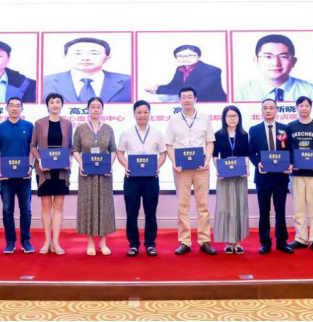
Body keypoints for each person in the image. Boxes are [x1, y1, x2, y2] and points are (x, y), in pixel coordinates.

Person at [165, 86, 217, 255]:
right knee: (183, 206)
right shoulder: (173, 120)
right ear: (179, 100)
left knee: (203, 206)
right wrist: (174, 162)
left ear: (195, 99)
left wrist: (207, 161)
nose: (187, 100)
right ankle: (185, 241)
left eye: (190, 97)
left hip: (201, 168)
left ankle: (204, 240)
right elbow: (169, 144)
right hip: (182, 169)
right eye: (183, 97)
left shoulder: (204, 118)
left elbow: (210, 141)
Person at [117, 100, 167, 257]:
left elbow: (163, 153)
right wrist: (126, 165)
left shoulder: (157, 133)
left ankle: (150, 244)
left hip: (151, 178)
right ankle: (133, 245)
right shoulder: (126, 133)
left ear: (150, 114)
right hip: (132, 177)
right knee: (132, 212)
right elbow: (120, 153)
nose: (142, 115)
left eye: (145, 112)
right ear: (134, 114)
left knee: (150, 212)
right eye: (139, 112)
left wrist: (157, 166)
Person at [73, 97, 118, 256]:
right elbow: (75, 150)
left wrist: (109, 165)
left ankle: (103, 243)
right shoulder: (80, 129)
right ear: (88, 109)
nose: (95, 109)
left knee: (104, 206)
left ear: (102, 109)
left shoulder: (108, 129)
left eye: (98, 107)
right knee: (88, 205)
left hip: (104, 174)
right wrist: (81, 164)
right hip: (87, 173)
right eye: (92, 106)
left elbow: (113, 150)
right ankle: (90, 243)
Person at [248, 98, 293, 254]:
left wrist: (290, 164)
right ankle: (265, 242)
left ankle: (282, 242)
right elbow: (251, 152)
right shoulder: (254, 130)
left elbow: (291, 150)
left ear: (276, 110)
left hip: (281, 176)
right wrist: (257, 163)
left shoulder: (285, 129)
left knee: (280, 210)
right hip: (263, 177)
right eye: (265, 108)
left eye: (271, 108)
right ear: (261, 111)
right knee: (264, 210)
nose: (268, 110)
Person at [30, 92, 74, 255]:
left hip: (61, 170)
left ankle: (56, 242)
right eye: (52, 102)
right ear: (47, 105)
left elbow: (70, 146)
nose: (55, 105)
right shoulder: (39, 123)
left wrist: (70, 158)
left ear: (62, 105)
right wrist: (40, 160)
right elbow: (33, 145)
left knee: (59, 206)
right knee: (46, 206)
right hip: (44, 170)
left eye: (58, 102)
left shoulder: (67, 124)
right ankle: (47, 241)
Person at [0, 97, 35, 254]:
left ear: (22, 108)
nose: (15, 108)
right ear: (7, 108)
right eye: (12, 105)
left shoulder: (29, 126)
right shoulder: (0, 128)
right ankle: (10, 242)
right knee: (7, 210)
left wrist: (30, 166)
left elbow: (32, 149)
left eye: (18, 106)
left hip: (24, 176)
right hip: (6, 176)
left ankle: (26, 241)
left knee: (26, 210)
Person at [287, 96, 313, 253]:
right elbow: (286, 148)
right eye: (301, 105)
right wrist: (289, 163)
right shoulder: (290, 127)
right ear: (296, 108)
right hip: (296, 173)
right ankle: (300, 238)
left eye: (307, 105)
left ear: (311, 107)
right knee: (298, 207)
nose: (304, 108)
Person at [43, 37, 131, 103]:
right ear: (65, 58)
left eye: (94, 53)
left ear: (107, 58)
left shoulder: (130, 81)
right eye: (78, 53)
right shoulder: (44, 82)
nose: (85, 58)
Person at [236, 34, 313, 102]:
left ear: (294, 61)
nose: (275, 63)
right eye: (268, 56)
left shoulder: (312, 92)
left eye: (283, 56)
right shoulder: (240, 93)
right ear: (256, 61)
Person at [212, 106, 250, 254]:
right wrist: (219, 170)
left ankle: (237, 242)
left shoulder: (244, 135)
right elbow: (215, 156)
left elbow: (246, 154)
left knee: (239, 206)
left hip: (240, 176)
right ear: (224, 118)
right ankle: (228, 242)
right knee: (226, 207)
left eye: (235, 116)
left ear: (239, 118)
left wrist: (247, 169)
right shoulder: (218, 135)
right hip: (224, 176)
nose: (232, 118)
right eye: (229, 116)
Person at [144, 45, 226, 102]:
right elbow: (174, 86)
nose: (185, 58)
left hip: (213, 103)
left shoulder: (212, 70)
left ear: (199, 56)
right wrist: (157, 87)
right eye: (180, 56)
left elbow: (197, 90)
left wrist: (160, 89)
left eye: (190, 55)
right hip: (191, 103)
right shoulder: (180, 69)